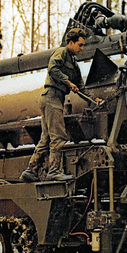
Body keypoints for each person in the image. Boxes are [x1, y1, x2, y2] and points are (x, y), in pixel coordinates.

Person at [21, 27, 89, 183]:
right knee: (58, 136)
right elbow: (53, 69)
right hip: (51, 98)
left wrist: (94, 99)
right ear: (71, 42)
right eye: (80, 44)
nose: (82, 48)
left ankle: (31, 170)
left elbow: (82, 87)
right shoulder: (61, 53)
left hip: (54, 99)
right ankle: (54, 171)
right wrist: (68, 82)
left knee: (45, 138)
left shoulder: (74, 62)